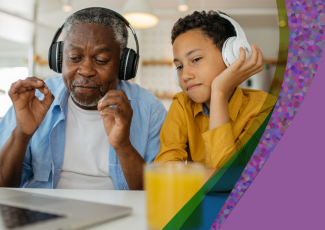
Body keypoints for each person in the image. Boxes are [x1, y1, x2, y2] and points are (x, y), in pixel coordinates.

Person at [0, 8, 167, 190]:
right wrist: (21, 134)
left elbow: (159, 193)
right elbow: (4, 187)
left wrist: (123, 146)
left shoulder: (150, 109)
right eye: (74, 57)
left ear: (123, 65)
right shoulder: (34, 98)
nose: (86, 70)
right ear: (59, 59)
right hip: (44, 215)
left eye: (101, 59)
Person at [155, 11, 277, 171]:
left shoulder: (265, 108)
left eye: (196, 59)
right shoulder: (182, 105)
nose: (184, 75)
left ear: (231, 57)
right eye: (179, 66)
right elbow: (164, 174)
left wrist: (219, 92)